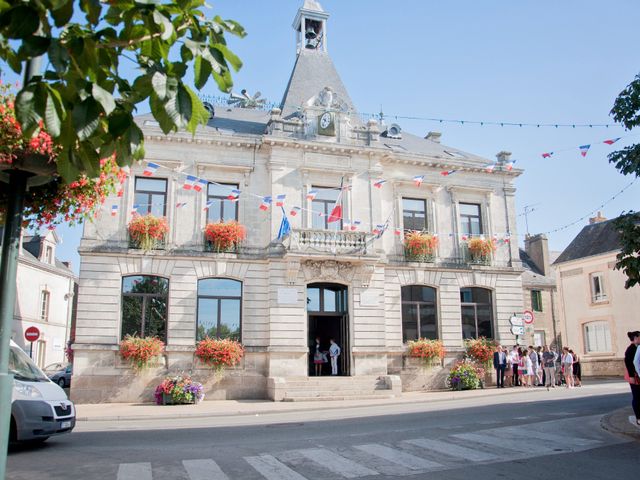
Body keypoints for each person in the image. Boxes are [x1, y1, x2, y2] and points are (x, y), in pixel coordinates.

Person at [625, 331, 640, 427]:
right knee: (636, 396)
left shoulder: (637, 347)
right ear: (635, 338)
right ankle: (638, 417)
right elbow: (629, 363)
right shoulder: (630, 349)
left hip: (637, 375)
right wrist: (631, 376)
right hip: (633, 376)